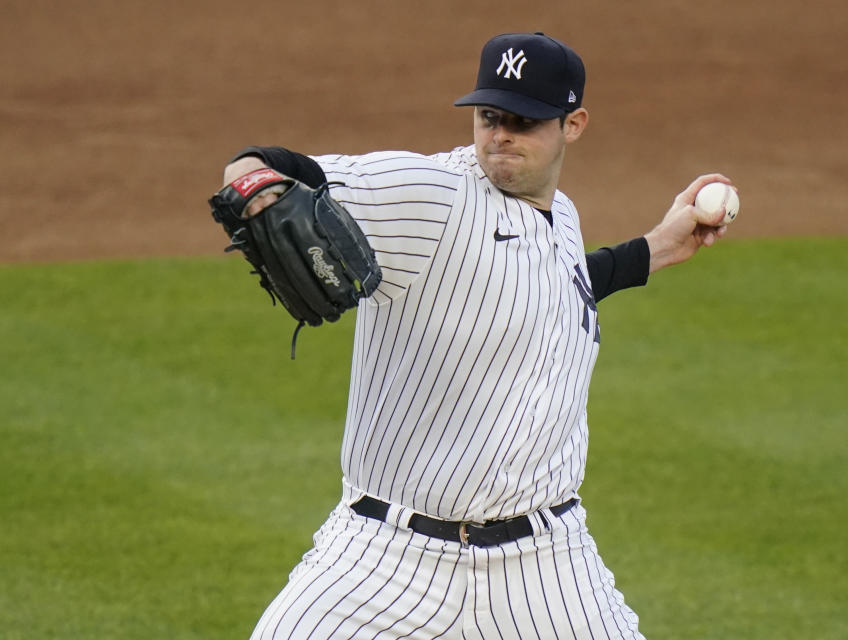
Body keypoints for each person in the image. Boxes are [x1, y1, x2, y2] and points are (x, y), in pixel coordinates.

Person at [221, 32, 732, 640]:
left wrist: (654, 250)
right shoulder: (428, 196)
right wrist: (254, 188)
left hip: (546, 565)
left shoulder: (558, 213)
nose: (501, 135)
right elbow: (265, 166)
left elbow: (547, 287)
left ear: (573, 125)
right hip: (385, 563)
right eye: (491, 116)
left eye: (525, 120)